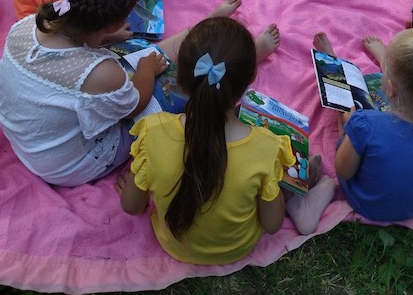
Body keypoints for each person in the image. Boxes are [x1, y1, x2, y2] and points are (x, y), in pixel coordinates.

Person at [0, 0, 258, 187]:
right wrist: (146, 70)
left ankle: (202, 29)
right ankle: (231, 59)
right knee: (177, 86)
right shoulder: (101, 72)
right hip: (69, 165)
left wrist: (109, 40)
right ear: (113, 23)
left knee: (147, 59)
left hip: (29, 144)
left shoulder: (28, 25)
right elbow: (135, 103)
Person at [117, 16, 337, 264]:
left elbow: (132, 207)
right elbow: (272, 224)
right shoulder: (265, 147)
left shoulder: (153, 132)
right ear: (250, 80)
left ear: (181, 81)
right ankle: (299, 198)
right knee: (276, 181)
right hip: (236, 248)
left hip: (172, 245)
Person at [313, 29, 413, 223]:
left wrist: (347, 126)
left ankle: (333, 62)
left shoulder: (365, 125)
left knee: (345, 112)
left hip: (366, 203)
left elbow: (343, 170)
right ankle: (385, 60)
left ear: (389, 89)